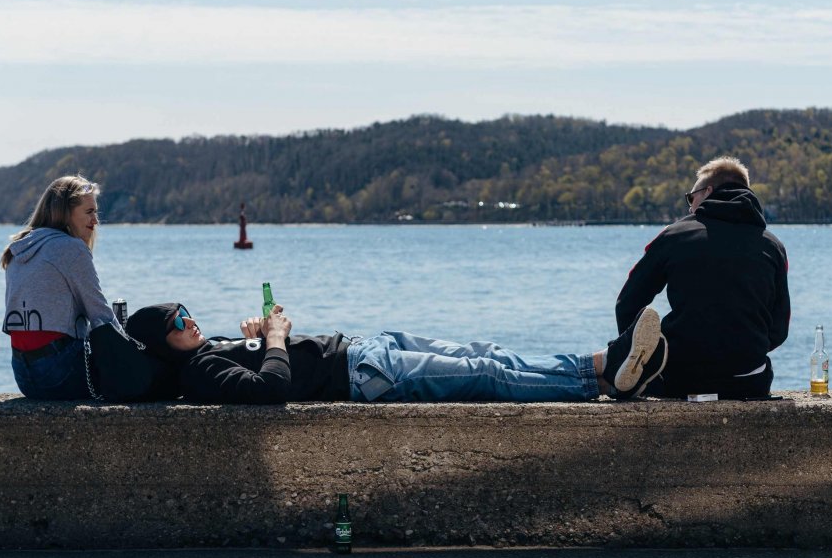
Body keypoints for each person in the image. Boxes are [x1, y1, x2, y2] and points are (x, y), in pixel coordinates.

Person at [123, 300, 667, 405]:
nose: (190, 322)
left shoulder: (207, 349)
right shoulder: (196, 373)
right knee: (483, 374)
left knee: (486, 351)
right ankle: (598, 381)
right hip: (362, 375)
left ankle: (602, 364)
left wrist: (252, 333)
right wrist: (274, 338)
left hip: (365, 347)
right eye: (177, 322)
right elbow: (269, 390)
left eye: (187, 312)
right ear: (160, 343)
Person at [613, 156, 789, 399]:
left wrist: (646, 358)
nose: (689, 206)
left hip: (680, 379)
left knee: (600, 367)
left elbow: (627, 303)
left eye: (691, 197)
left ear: (708, 191)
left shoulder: (675, 236)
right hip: (750, 381)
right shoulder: (773, 246)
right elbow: (779, 328)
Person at [0, 175, 115, 399]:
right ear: (66, 212)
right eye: (89, 212)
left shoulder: (18, 248)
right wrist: (132, 351)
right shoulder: (69, 248)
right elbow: (100, 314)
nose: (96, 220)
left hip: (23, 375)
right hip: (59, 373)